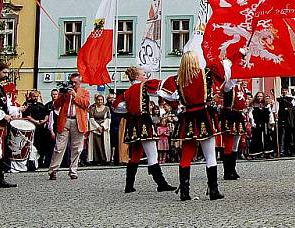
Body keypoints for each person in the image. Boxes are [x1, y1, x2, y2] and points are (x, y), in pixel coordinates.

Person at [159, 52, 223, 201]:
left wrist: (176, 106)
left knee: (186, 155)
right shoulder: (205, 73)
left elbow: (163, 93)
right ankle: (213, 190)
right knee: (210, 155)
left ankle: (184, 192)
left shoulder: (176, 79)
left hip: (187, 117)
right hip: (204, 115)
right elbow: (223, 72)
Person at [114, 66, 175, 194]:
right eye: (143, 74)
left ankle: (129, 185)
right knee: (152, 154)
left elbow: (117, 107)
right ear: (137, 77)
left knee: (135, 154)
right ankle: (161, 183)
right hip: (144, 122)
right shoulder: (144, 86)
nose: (145, 76)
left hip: (132, 123)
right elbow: (161, 88)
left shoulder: (127, 92)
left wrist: (130, 111)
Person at [46, 73, 90, 179]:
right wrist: (63, 95)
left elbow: (86, 104)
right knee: (59, 147)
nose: (73, 84)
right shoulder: (65, 93)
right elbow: (55, 105)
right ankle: (53, 170)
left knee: (77, 148)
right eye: (72, 82)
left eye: (75, 82)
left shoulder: (85, 92)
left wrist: (75, 95)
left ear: (80, 82)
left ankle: (73, 171)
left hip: (78, 122)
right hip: (65, 121)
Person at [220, 68, 247, 180]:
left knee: (236, 144)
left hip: (238, 115)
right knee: (229, 143)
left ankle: (233, 169)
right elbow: (226, 87)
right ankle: (227, 171)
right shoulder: (228, 86)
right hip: (229, 116)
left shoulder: (240, 86)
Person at [87, 94, 111, 165]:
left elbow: (108, 118)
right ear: (96, 100)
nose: (100, 101)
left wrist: (103, 126)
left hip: (104, 129)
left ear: (103, 101)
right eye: (98, 100)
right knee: (95, 144)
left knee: (104, 144)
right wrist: (97, 127)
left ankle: (104, 159)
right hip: (95, 128)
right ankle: (95, 160)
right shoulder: (93, 109)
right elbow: (91, 118)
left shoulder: (107, 108)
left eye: (101, 100)